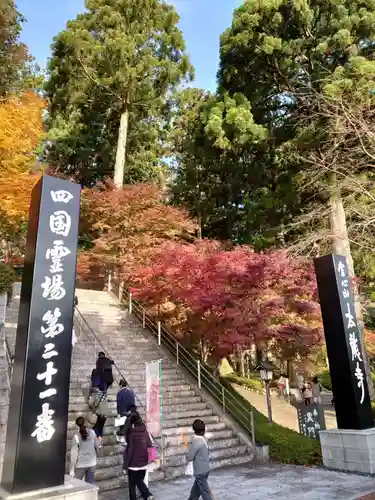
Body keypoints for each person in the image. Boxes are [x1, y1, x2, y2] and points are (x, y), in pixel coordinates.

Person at [123, 414, 154, 500]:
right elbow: (150, 445)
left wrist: (125, 465)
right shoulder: (145, 432)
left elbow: (130, 451)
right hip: (144, 462)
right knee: (139, 481)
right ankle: (148, 495)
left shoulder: (131, 434)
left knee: (132, 485)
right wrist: (152, 459)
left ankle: (146, 495)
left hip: (133, 464)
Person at [186, 419, 212, 500]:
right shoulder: (205, 439)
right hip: (206, 469)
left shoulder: (196, 442)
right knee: (196, 491)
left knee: (205, 492)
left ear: (194, 430)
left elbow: (189, 457)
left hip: (200, 471)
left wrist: (188, 452)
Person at [70, 416, 100, 484]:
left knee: (76, 485)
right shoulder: (92, 432)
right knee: (89, 485)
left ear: (77, 425)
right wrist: (97, 454)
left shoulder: (76, 437)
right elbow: (97, 445)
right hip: (92, 463)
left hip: (81, 464)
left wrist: (72, 469)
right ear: (85, 423)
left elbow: (74, 455)